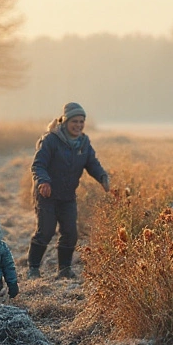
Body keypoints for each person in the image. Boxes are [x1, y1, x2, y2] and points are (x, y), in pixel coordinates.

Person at [29, 103, 110, 279]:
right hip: (47, 194)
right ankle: (33, 268)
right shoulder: (50, 140)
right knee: (46, 231)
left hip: (67, 196)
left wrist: (102, 177)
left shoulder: (84, 142)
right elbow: (38, 165)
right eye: (75, 121)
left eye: (82, 121)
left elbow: (92, 163)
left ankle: (64, 270)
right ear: (65, 121)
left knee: (71, 233)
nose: (78, 125)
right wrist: (43, 182)